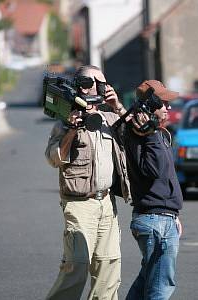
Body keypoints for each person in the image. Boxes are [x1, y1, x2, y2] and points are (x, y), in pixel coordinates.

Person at [45, 65, 131, 300]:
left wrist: (118, 106)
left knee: (109, 269)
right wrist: (72, 129)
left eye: (104, 83)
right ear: (83, 85)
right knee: (77, 265)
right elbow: (54, 158)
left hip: (107, 203)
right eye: (97, 83)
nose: (103, 88)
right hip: (79, 204)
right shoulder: (65, 120)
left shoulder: (110, 118)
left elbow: (137, 135)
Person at [124, 80, 183, 300]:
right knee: (161, 285)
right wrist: (149, 134)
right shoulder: (142, 135)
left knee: (149, 277)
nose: (169, 108)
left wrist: (173, 214)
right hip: (154, 220)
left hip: (162, 217)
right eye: (164, 103)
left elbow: (166, 179)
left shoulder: (157, 134)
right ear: (149, 107)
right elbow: (154, 170)